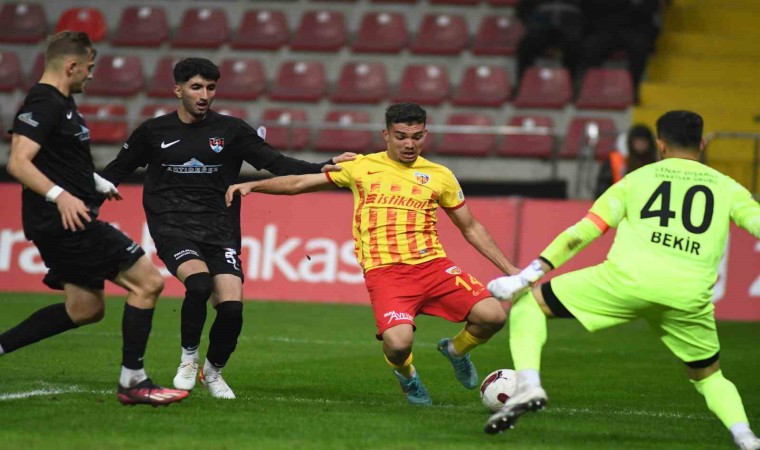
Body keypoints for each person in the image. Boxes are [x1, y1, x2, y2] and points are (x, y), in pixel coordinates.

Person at [484, 111, 760, 450]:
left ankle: (529, 385)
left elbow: (584, 231)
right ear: (702, 144)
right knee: (709, 375)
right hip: (688, 295)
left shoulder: (636, 179)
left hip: (625, 281)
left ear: (660, 144)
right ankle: (746, 437)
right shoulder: (728, 188)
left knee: (530, 303)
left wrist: (528, 275)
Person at [226, 103, 520, 405]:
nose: (409, 144)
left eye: (416, 136)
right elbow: (300, 182)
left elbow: (470, 226)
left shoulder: (440, 175)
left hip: (433, 265)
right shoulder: (361, 166)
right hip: (386, 273)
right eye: (401, 136)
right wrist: (255, 185)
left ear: (425, 134)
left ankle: (456, 350)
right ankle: (407, 375)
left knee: (493, 316)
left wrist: (510, 269)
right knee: (399, 344)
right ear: (386, 135)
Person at [99, 57, 354, 400]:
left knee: (232, 310)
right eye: (196, 87)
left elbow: (276, 163)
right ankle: (188, 358)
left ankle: (213, 372)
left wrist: (323, 166)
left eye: (210, 87)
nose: (204, 95)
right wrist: (82, 203)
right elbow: (116, 170)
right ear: (178, 90)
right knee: (199, 283)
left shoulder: (231, 131)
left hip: (220, 228)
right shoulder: (153, 131)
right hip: (172, 225)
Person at [0, 31, 188, 406]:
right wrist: (61, 196)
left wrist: (94, 181)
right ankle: (133, 381)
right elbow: (18, 162)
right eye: (89, 67)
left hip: (64, 220)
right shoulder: (44, 101)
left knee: (84, 309)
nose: (91, 74)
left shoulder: (62, 104)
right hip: (65, 222)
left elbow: (58, 159)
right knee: (148, 282)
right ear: (71, 66)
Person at [515, 0, 586, 86]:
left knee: (577, 47)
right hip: (541, 28)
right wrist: (531, 23)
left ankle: (573, 83)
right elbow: (523, 9)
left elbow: (591, 12)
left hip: (570, 29)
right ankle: (523, 84)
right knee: (526, 46)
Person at [594, 123, 658, 198]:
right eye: (638, 141)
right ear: (631, 142)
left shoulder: (656, 164)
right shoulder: (615, 161)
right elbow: (602, 188)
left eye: (643, 141)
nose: (640, 144)